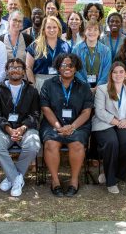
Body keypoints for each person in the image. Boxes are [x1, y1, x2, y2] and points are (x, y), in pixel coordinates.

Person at [40, 53, 94, 196]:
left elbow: (86, 112)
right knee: (51, 144)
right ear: (58, 67)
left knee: (76, 144)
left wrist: (72, 127)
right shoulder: (48, 84)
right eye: (63, 65)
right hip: (53, 124)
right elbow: (45, 108)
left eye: (71, 65)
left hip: (78, 125)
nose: (67, 68)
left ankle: (74, 180)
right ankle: (55, 181)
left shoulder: (84, 87)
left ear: (76, 68)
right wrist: (59, 127)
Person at [0, 58, 41, 197]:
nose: (15, 70)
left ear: (24, 72)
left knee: (33, 146)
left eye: (19, 67)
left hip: (26, 129)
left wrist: (22, 128)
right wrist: (8, 129)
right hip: (4, 129)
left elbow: (35, 114)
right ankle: (16, 178)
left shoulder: (32, 91)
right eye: (11, 67)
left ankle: (11, 177)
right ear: (6, 71)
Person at [92, 62, 126, 194]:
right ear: (111, 74)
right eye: (115, 72)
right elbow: (100, 111)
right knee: (111, 142)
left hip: (124, 123)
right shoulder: (102, 89)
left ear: (125, 74)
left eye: (121, 72)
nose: (118, 75)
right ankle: (111, 182)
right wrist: (117, 122)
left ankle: (116, 173)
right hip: (105, 123)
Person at [25, 16, 72, 91]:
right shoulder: (35, 46)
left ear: (59, 29)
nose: (52, 30)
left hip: (60, 82)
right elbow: (28, 67)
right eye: (49, 27)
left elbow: (69, 67)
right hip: (40, 83)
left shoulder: (65, 46)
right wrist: (33, 86)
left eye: (54, 27)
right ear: (44, 29)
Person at [74, 20, 111, 89]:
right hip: (81, 87)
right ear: (85, 32)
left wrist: (98, 87)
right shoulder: (76, 49)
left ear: (99, 32)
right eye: (89, 29)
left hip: (100, 87)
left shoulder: (106, 51)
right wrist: (86, 86)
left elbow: (106, 71)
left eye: (95, 30)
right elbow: (75, 70)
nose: (92, 32)